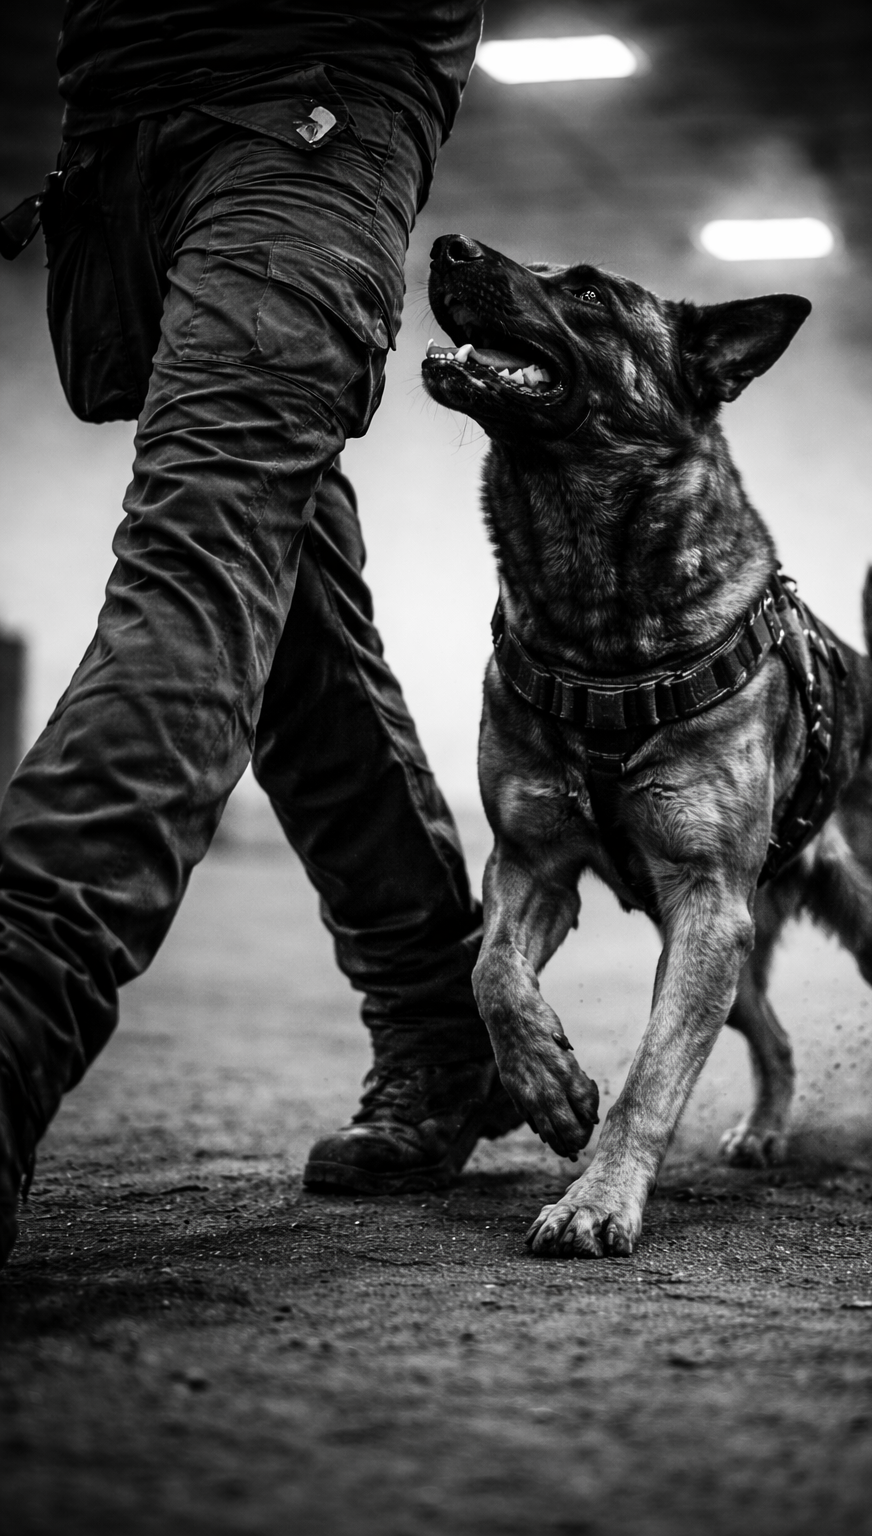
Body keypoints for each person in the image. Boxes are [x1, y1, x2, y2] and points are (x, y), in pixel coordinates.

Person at [0, 0, 522, 1270]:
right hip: (126, 136)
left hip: (306, 108)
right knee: (291, 626)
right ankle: (443, 1030)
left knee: (194, 572)